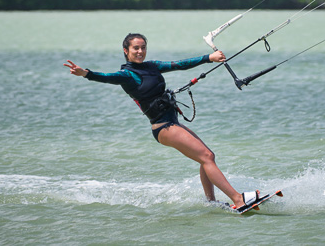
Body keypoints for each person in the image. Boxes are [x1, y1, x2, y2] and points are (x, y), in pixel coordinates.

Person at [64, 33, 259, 211]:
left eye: (143, 48)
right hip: (163, 128)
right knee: (206, 155)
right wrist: (87, 73)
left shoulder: (152, 66)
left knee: (207, 157)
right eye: (135, 48)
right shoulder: (126, 75)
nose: (140, 52)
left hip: (172, 123)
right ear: (126, 51)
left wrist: (208, 58)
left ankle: (210, 202)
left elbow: (180, 64)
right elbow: (107, 77)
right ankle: (238, 199)